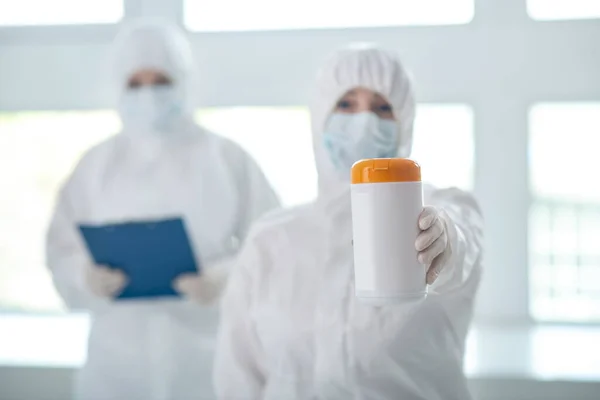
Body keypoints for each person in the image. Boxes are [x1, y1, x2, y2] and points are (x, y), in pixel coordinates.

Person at [214, 44, 483, 400]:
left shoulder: (440, 209)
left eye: (383, 107)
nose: (364, 120)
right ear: (319, 117)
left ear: (406, 122)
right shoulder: (272, 238)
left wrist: (445, 244)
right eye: (346, 104)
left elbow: (463, 248)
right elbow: (237, 375)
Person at [46, 20, 280, 400]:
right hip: (115, 368)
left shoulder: (225, 158)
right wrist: (84, 276)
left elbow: (271, 244)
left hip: (208, 362)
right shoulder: (95, 166)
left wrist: (225, 278)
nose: (148, 93)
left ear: (184, 81)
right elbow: (60, 249)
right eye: (135, 82)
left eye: (161, 80)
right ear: (117, 85)